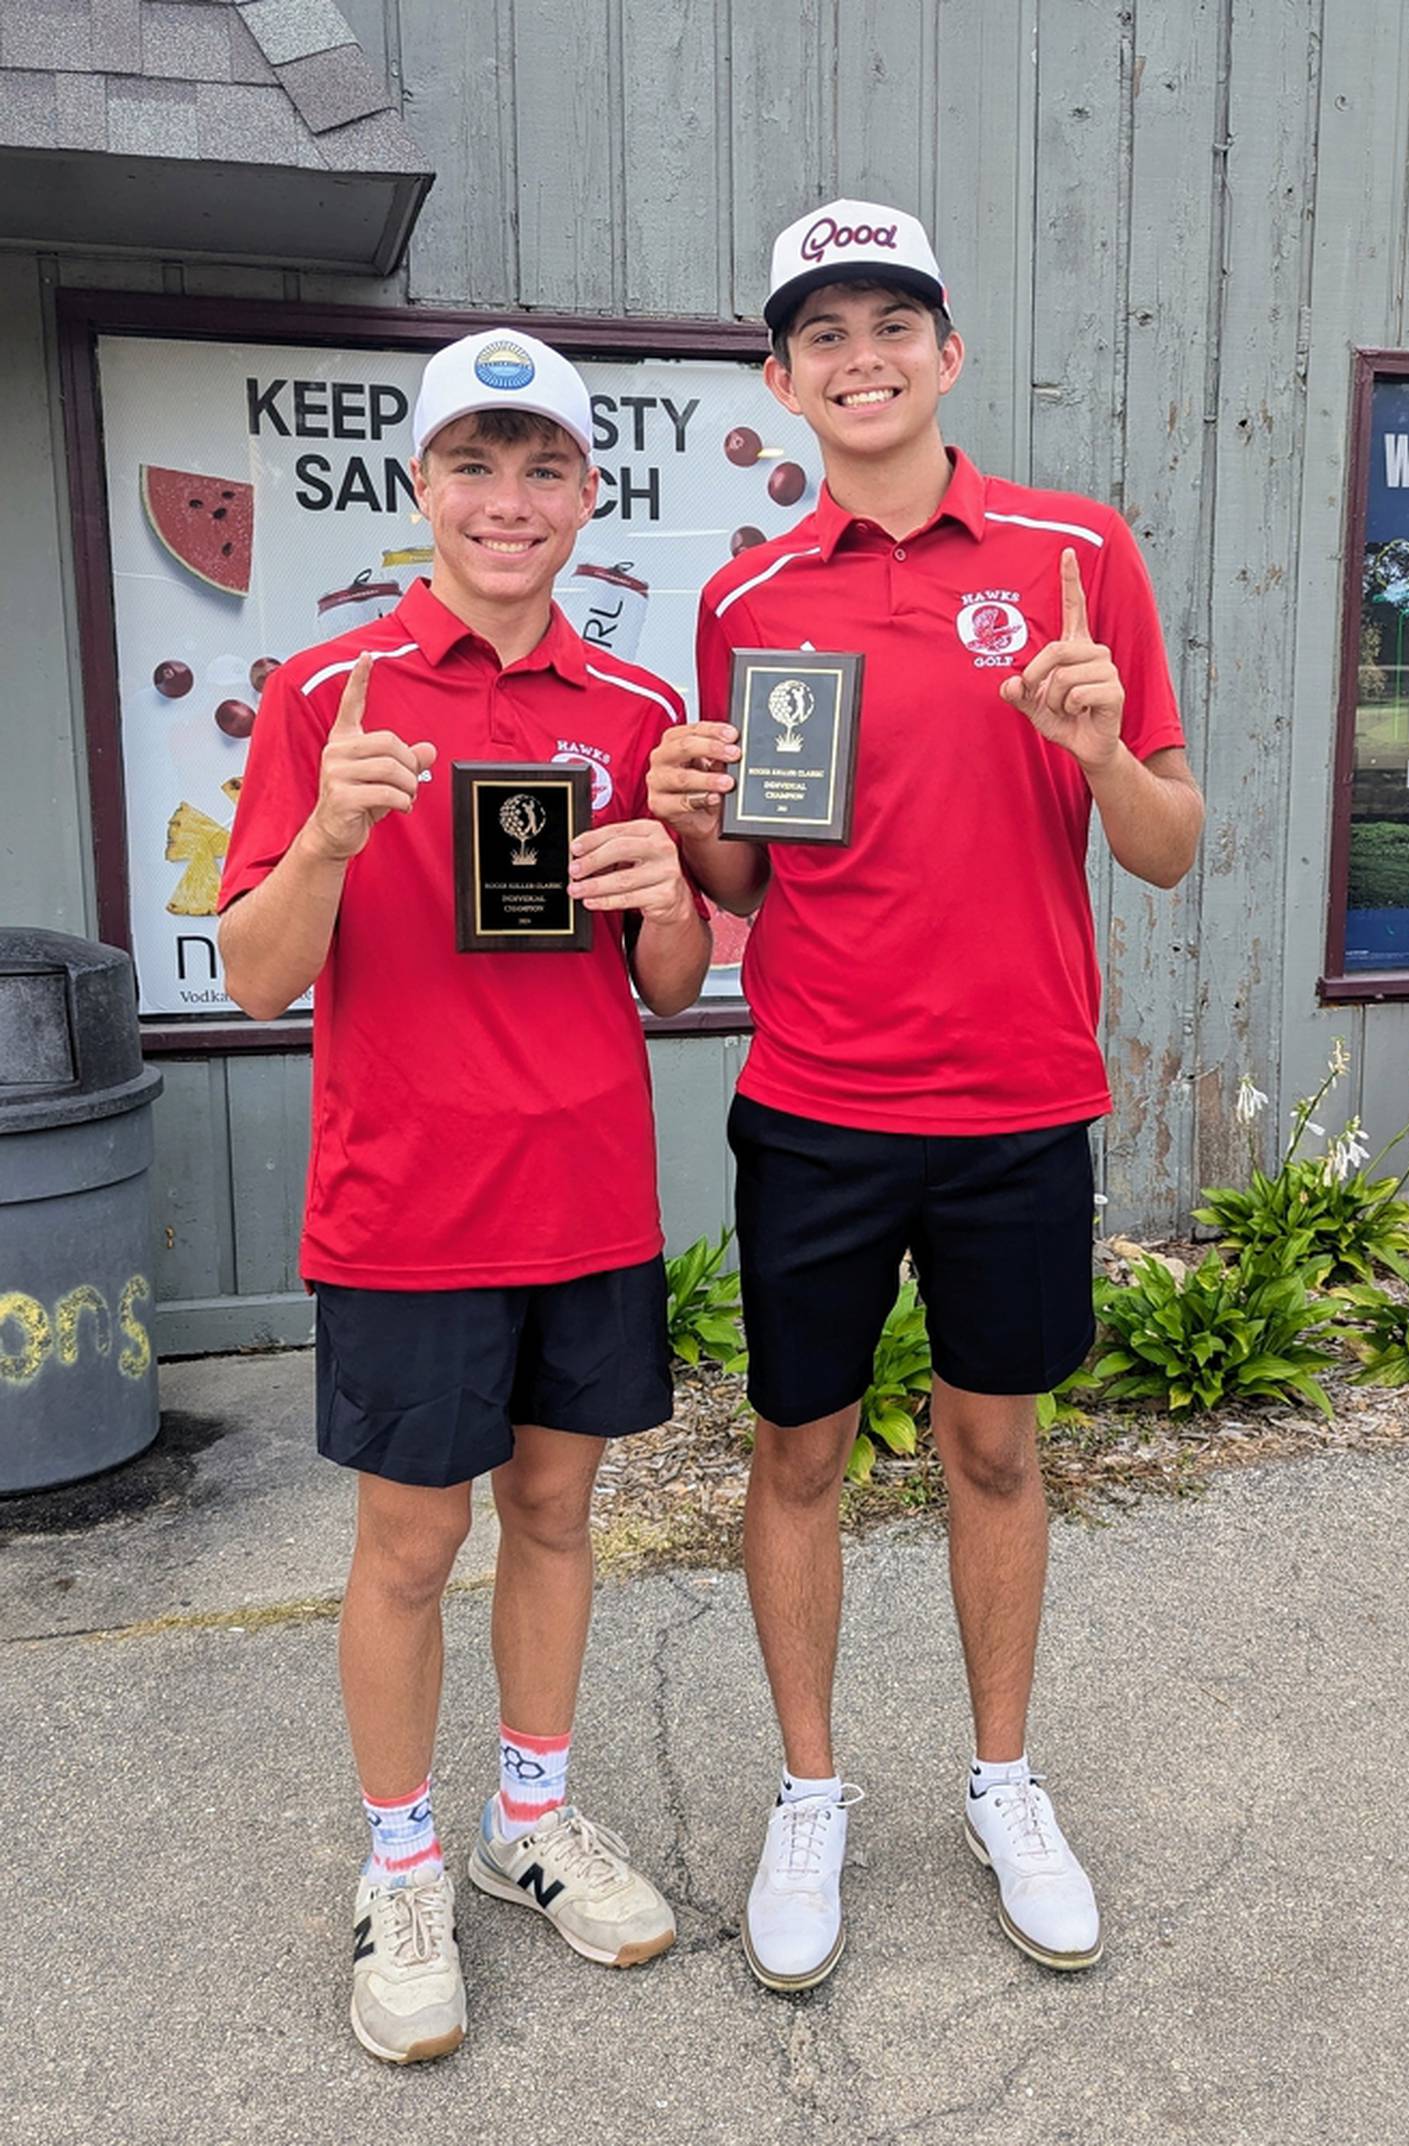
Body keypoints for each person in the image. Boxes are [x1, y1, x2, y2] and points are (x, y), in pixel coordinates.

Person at [649, 201, 1204, 1990]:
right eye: (825, 331)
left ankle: (1003, 1781)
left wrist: (1103, 746)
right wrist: (685, 803)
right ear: (783, 376)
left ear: (949, 351)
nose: (863, 354)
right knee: (797, 1449)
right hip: (814, 1100)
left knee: (994, 1444)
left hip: (1019, 1098)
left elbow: (1175, 850)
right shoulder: (747, 596)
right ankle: (810, 1791)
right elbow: (744, 883)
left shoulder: (1071, 553)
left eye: (896, 320)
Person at [219, 330, 710, 2063]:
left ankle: (527, 1818)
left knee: (561, 1518)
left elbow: (667, 982)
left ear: (587, 495)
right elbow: (256, 976)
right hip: (407, 1202)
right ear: (419, 486)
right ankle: (403, 1858)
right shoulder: (322, 695)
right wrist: (333, 839)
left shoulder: (637, 712)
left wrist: (665, 894)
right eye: (474, 467)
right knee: (412, 1543)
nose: (509, 503)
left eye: (543, 469)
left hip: (584, 1191)